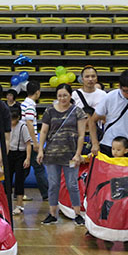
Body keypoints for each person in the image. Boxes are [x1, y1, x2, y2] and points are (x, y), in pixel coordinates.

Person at [37, 83, 87, 225]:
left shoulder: (78, 112)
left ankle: (77, 213)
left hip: (70, 155)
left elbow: (81, 135)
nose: (62, 98)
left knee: (72, 185)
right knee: (53, 185)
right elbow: (44, 132)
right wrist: (41, 149)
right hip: (52, 155)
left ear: (70, 96)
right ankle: (53, 213)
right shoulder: (49, 111)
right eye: (59, 95)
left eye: (65, 95)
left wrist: (78, 154)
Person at [89, 70, 128, 159]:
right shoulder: (109, 97)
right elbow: (92, 121)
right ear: (119, 86)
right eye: (126, 91)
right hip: (109, 144)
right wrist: (95, 143)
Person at [20, 80, 49, 201]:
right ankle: (47, 194)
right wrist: (35, 142)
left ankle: (18, 192)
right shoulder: (30, 105)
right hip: (29, 142)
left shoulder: (23, 103)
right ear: (38, 92)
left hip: (23, 141)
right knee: (39, 167)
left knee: (25, 169)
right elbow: (29, 123)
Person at [72, 65, 108, 155]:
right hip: (78, 135)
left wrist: (95, 117)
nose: (90, 79)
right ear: (82, 79)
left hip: (97, 135)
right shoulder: (75, 95)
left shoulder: (103, 95)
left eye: (93, 76)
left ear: (96, 78)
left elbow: (108, 116)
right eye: (87, 77)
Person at [6, 106, 32, 215]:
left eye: (14, 119)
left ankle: (19, 205)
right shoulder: (5, 126)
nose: (12, 121)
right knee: (7, 181)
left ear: (18, 118)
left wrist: (28, 158)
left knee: (19, 181)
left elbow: (28, 143)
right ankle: (6, 205)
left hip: (20, 154)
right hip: (9, 154)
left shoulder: (23, 127)